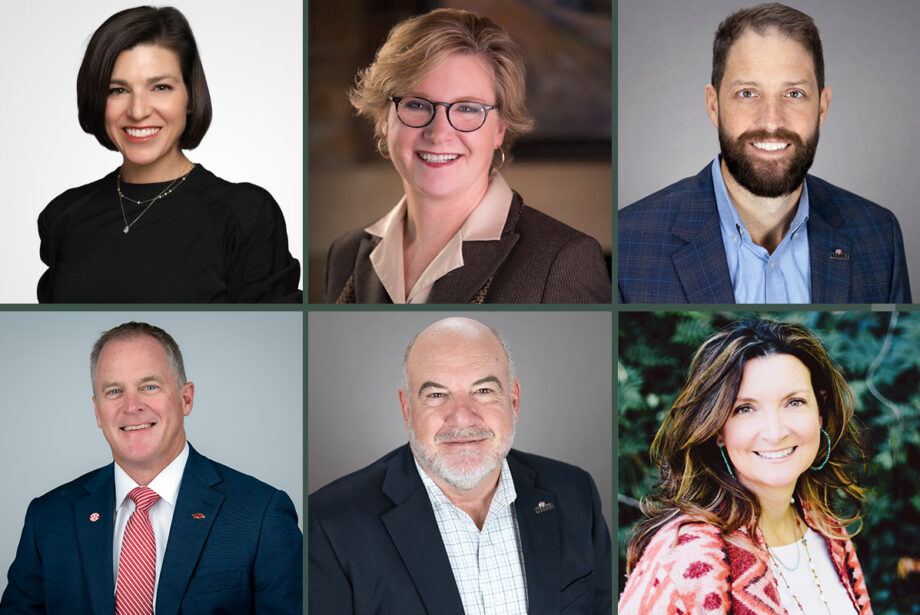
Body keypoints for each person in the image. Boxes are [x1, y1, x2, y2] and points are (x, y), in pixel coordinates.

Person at [309, 317, 611, 613]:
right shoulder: (330, 524)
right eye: (437, 395)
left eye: (483, 391)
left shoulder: (575, 493)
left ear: (514, 402)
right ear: (407, 409)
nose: (463, 417)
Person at [0, 322, 302, 614]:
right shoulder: (48, 518)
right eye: (114, 391)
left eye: (149, 386)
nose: (132, 406)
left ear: (186, 399)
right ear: (97, 412)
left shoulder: (261, 515)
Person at [618, 3, 910, 304]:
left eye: (794, 94)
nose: (771, 121)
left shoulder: (878, 237)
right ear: (713, 104)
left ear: (822, 107)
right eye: (747, 93)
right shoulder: (630, 240)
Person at [324, 9, 611, 304]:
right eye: (417, 104)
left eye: (468, 108)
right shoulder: (345, 254)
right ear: (385, 120)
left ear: (500, 128)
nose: (438, 133)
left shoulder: (564, 261)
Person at [38, 6, 302, 303]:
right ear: (97, 101)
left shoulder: (245, 215)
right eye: (117, 90)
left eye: (160, 87)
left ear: (190, 96)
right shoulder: (63, 217)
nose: (138, 111)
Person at [619, 319, 871, 614]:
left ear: (820, 411)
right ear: (717, 430)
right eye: (745, 409)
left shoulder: (826, 528)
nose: (775, 432)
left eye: (794, 402)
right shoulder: (684, 556)